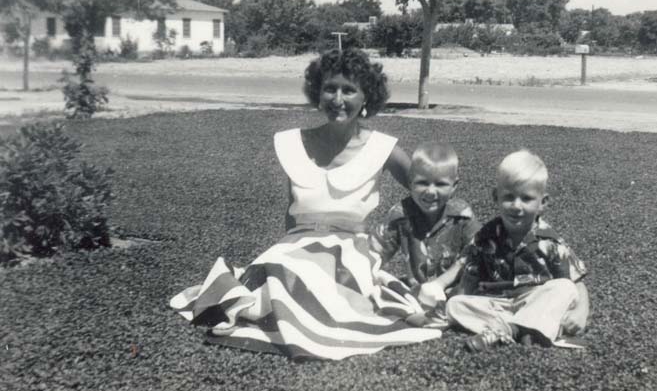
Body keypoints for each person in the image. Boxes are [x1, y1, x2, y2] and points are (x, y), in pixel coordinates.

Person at [169, 48, 441, 361]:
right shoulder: (294, 143)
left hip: (348, 252)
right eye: (330, 88)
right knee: (275, 271)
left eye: (349, 90)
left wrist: (438, 231)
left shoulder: (382, 148)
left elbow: (425, 191)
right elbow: (291, 212)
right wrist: (289, 248)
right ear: (317, 92)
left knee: (292, 277)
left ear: (367, 97)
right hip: (295, 246)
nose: (338, 99)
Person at [446, 150, 590, 352]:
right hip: (498, 304)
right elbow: (468, 278)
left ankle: (506, 329)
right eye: (509, 197)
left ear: (543, 203)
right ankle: (523, 328)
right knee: (454, 305)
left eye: (526, 198)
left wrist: (581, 312)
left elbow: (577, 283)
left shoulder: (550, 241)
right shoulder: (485, 237)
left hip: (535, 299)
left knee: (564, 288)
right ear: (496, 197)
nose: (516, 206)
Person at [369, 142, 480, 325]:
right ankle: (421, 314)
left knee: (474, 289)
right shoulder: (401, 214)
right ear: (410, 182)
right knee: (380, 290)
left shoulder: (461, 214)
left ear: (454, 186)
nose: (430, 191)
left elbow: (477, 251)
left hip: (457, 289)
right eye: (422, 183)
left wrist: (443, 283)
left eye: (441, 184)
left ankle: (437, 314)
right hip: (417, 291)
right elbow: (375, 251)